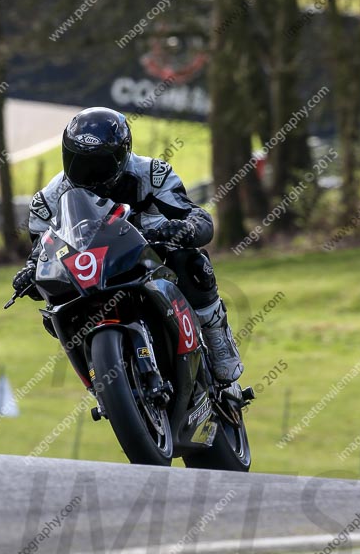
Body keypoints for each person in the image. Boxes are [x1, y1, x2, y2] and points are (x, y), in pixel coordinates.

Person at [13, 107, 243, 385]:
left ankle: (216, 335)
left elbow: (195, 215)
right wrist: (30, 272)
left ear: (122, 155)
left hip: (150, 256)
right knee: (54, 311)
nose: (89, 174)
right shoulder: (47, 200)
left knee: (192, 262)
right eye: (78, 162)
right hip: (92, 269)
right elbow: (41, 251)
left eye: (99, 164)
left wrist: (185, 228)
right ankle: (101, 379)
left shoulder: (151, 173)